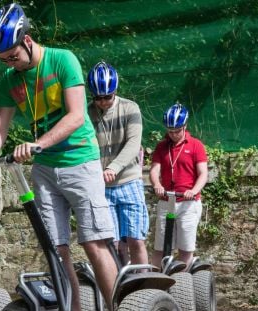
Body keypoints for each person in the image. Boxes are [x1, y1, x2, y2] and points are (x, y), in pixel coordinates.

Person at [0, 3, 117, 311]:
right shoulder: (10, 80)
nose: (10, 63)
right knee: (56, 249)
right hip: (44, 171)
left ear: (27, 40)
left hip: (80, 161)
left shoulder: (62, 60)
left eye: (12, 55)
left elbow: (77, 115)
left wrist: (39, 144)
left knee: (94, 243)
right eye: (3, 59)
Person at [86, 61, 149, 266]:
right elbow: (86, 145)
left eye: (107, 97)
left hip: (129, 181)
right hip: (102, 186)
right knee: (111, 242)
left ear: (115, 92)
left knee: (136, 240)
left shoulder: (130, 108)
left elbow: (134, 143)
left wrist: (114, 167)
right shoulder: (87, 113)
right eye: (98, 98)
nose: (103, 102)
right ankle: (119, 282)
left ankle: (143, 281)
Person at [149, 103, 208, 270]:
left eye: (177, 130)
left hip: (188, 202)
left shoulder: (196, 145)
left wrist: (194, 191)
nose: (173, 134)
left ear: (185, 126)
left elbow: (203, 173)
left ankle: (183, 282)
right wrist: (157, 184)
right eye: (170, 131)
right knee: (160, 247)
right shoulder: (162, 146)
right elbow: (154, 170)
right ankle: (156, 279)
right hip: (167, 201)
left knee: (185, 248)